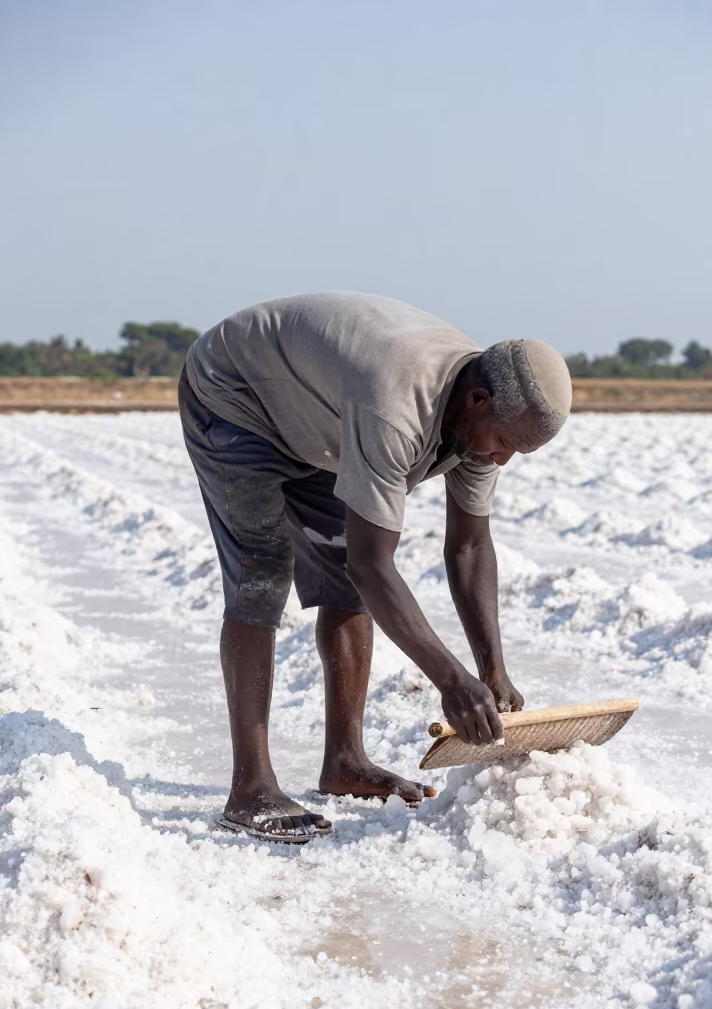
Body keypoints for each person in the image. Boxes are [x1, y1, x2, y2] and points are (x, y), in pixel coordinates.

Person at [179, 292, 571, 843]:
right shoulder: (396, 405)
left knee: (341, 570)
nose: (501, 459)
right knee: (263, 570)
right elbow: (373, 562)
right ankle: (251, 789)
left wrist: (491, 669)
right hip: (237, 393)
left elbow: (470, 548)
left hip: (321, 416)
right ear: (477, 399)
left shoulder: (481, 424)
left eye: (516, 453)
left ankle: (345, 762)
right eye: (504, 443)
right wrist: (450, 681)